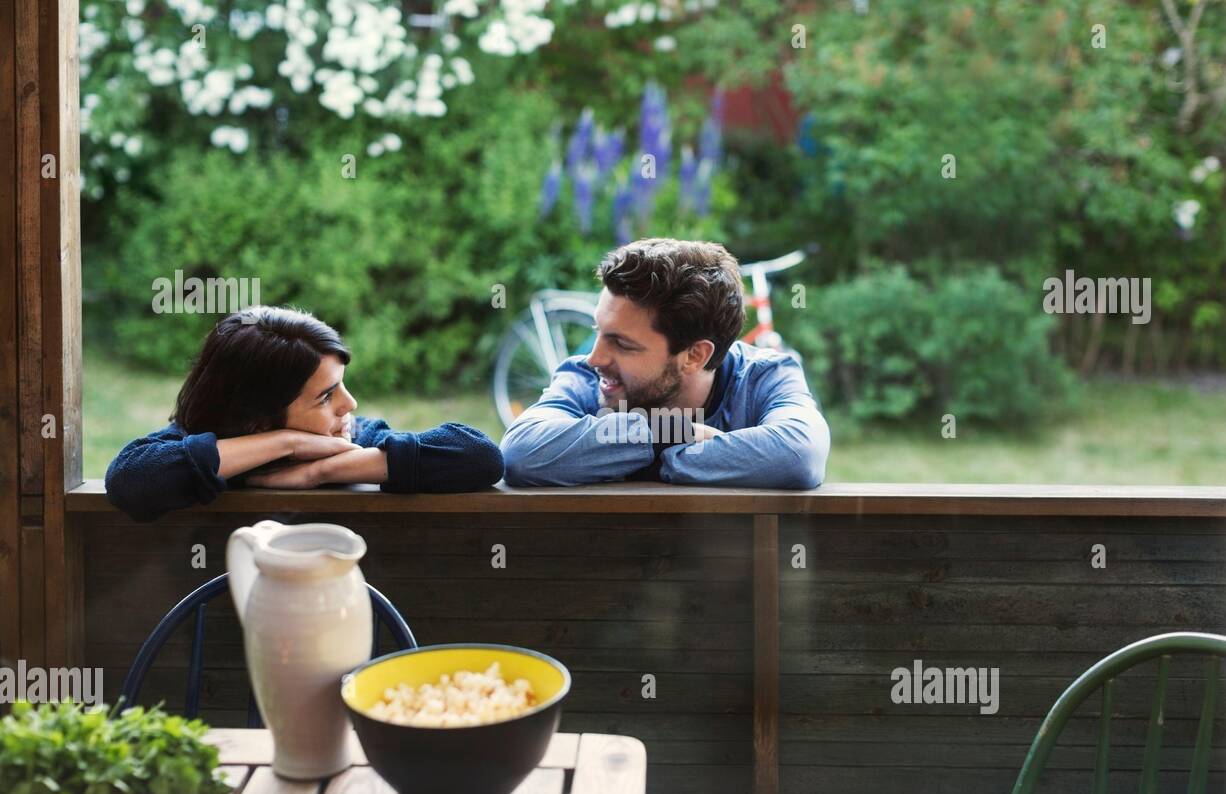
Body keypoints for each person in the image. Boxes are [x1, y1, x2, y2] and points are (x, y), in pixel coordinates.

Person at [105, 306, 503, 522]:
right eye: (326, 397)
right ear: (257, 418)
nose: (350, 405)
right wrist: (287, 442)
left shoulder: (348, 440)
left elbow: (480, 456)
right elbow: (131, 481)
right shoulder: (196, 447)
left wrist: (322, 471)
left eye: (342, 384)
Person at [501, 238, 829, 488]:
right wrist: (670, 435)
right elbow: (520, 453)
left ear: (694, 355)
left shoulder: (765, 376)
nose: (594, 358)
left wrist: (634, 459)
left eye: (622, 343)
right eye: (598, 330)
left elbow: (801, 454)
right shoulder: (585, 376)